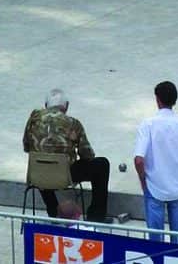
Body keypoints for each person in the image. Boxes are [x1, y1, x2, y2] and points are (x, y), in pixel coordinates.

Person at [22, 88, 111, 222]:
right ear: (66, 106)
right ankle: (96, 217)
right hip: (64, 176)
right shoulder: (73, 124)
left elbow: (26, 146)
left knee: (42, 164)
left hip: (37, 175)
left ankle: (53, 211)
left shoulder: (33, 120)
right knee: (102, 164)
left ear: (46, 105)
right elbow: (87, 154)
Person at [133, 81, 178, 243]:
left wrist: (143, 180)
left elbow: (138, 160)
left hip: (154, 186)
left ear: (157, 99)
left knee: (155, 240)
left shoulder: (148, 124)